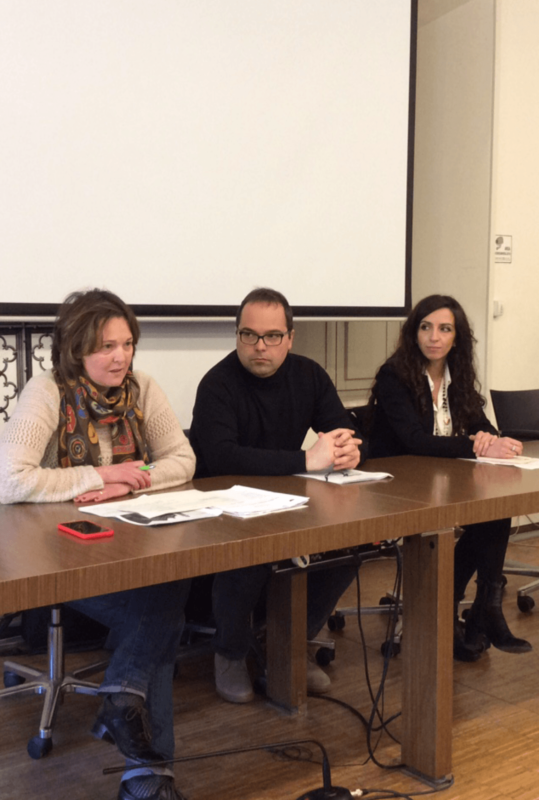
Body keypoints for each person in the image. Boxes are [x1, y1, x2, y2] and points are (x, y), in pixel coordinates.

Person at [0, 289, 196, 800]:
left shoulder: (142, 388)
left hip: (129, 542)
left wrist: (129, 484)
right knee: (162, 614)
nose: (120, 357)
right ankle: (144, 769)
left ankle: (127, 710)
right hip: (57, 556)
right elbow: (9, 479)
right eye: (106, 346)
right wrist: (100, 475)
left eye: (127, 344)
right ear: (75, 349)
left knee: (168, 585)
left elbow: (182, 460)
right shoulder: (47, 391)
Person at [190, 287, 364, 703]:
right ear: (237, 335)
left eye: (271, 336)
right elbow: (222, 457)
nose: (259, 346)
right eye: (249, 335)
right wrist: (306, 459)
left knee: (351, 544)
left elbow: (344, 429)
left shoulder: (309, 375)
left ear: (290, 338)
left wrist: (351, 450)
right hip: (223, 507)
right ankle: (230, 651)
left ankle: (289, 643)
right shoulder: (217, 383)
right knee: (251, 549)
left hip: (289, 501)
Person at [367, 294, 531, 661]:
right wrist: (475, 446)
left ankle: (483, 603)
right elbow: (414, 440)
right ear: (414, 333)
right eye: (426, 327)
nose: (434, 337)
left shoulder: (457, 375)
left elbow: (480, 423)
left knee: (495, 506)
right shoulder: (394, 376)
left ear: (457, 337)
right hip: (398, 485)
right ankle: (465, 608)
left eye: (444, 329)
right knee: (488, 512)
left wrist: (490, 438)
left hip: (441, 479)